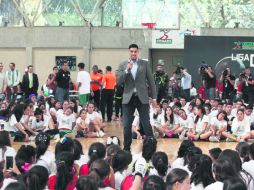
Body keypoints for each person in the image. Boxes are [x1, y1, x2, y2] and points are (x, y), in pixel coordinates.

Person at [117, 44, 157, 151]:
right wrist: (126, 71)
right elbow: (118, 82)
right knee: (126, 125)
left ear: (138, 52)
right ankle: (126, 149)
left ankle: (151, 147)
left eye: (135, 51)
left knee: (146, 123)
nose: (133, 53)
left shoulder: (144, 64)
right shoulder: (123, 65)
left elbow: (151, 82)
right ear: (129, 52)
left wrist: (154, 98)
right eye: (131, 51)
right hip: (128, 98)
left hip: (142, 97)